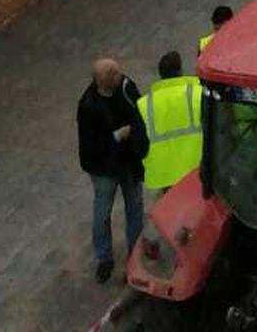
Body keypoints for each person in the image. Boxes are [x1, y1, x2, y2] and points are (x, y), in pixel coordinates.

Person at [78, 57, 148, 283]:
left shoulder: (126, 87)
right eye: (116, 73)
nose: (122, 75)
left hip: (127, 161)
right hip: (104, 167)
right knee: (102, 213)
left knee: (135, 206)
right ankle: (104, 258)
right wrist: (117, 136)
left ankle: (135, 254)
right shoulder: (88, 106)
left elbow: (140, 115)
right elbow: (91, 145)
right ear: (105, 80)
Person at [138, 50, 204, 195]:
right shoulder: (198, 93)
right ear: (180, 70)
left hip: (163, 174)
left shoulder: (143, 104)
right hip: (195, 166)